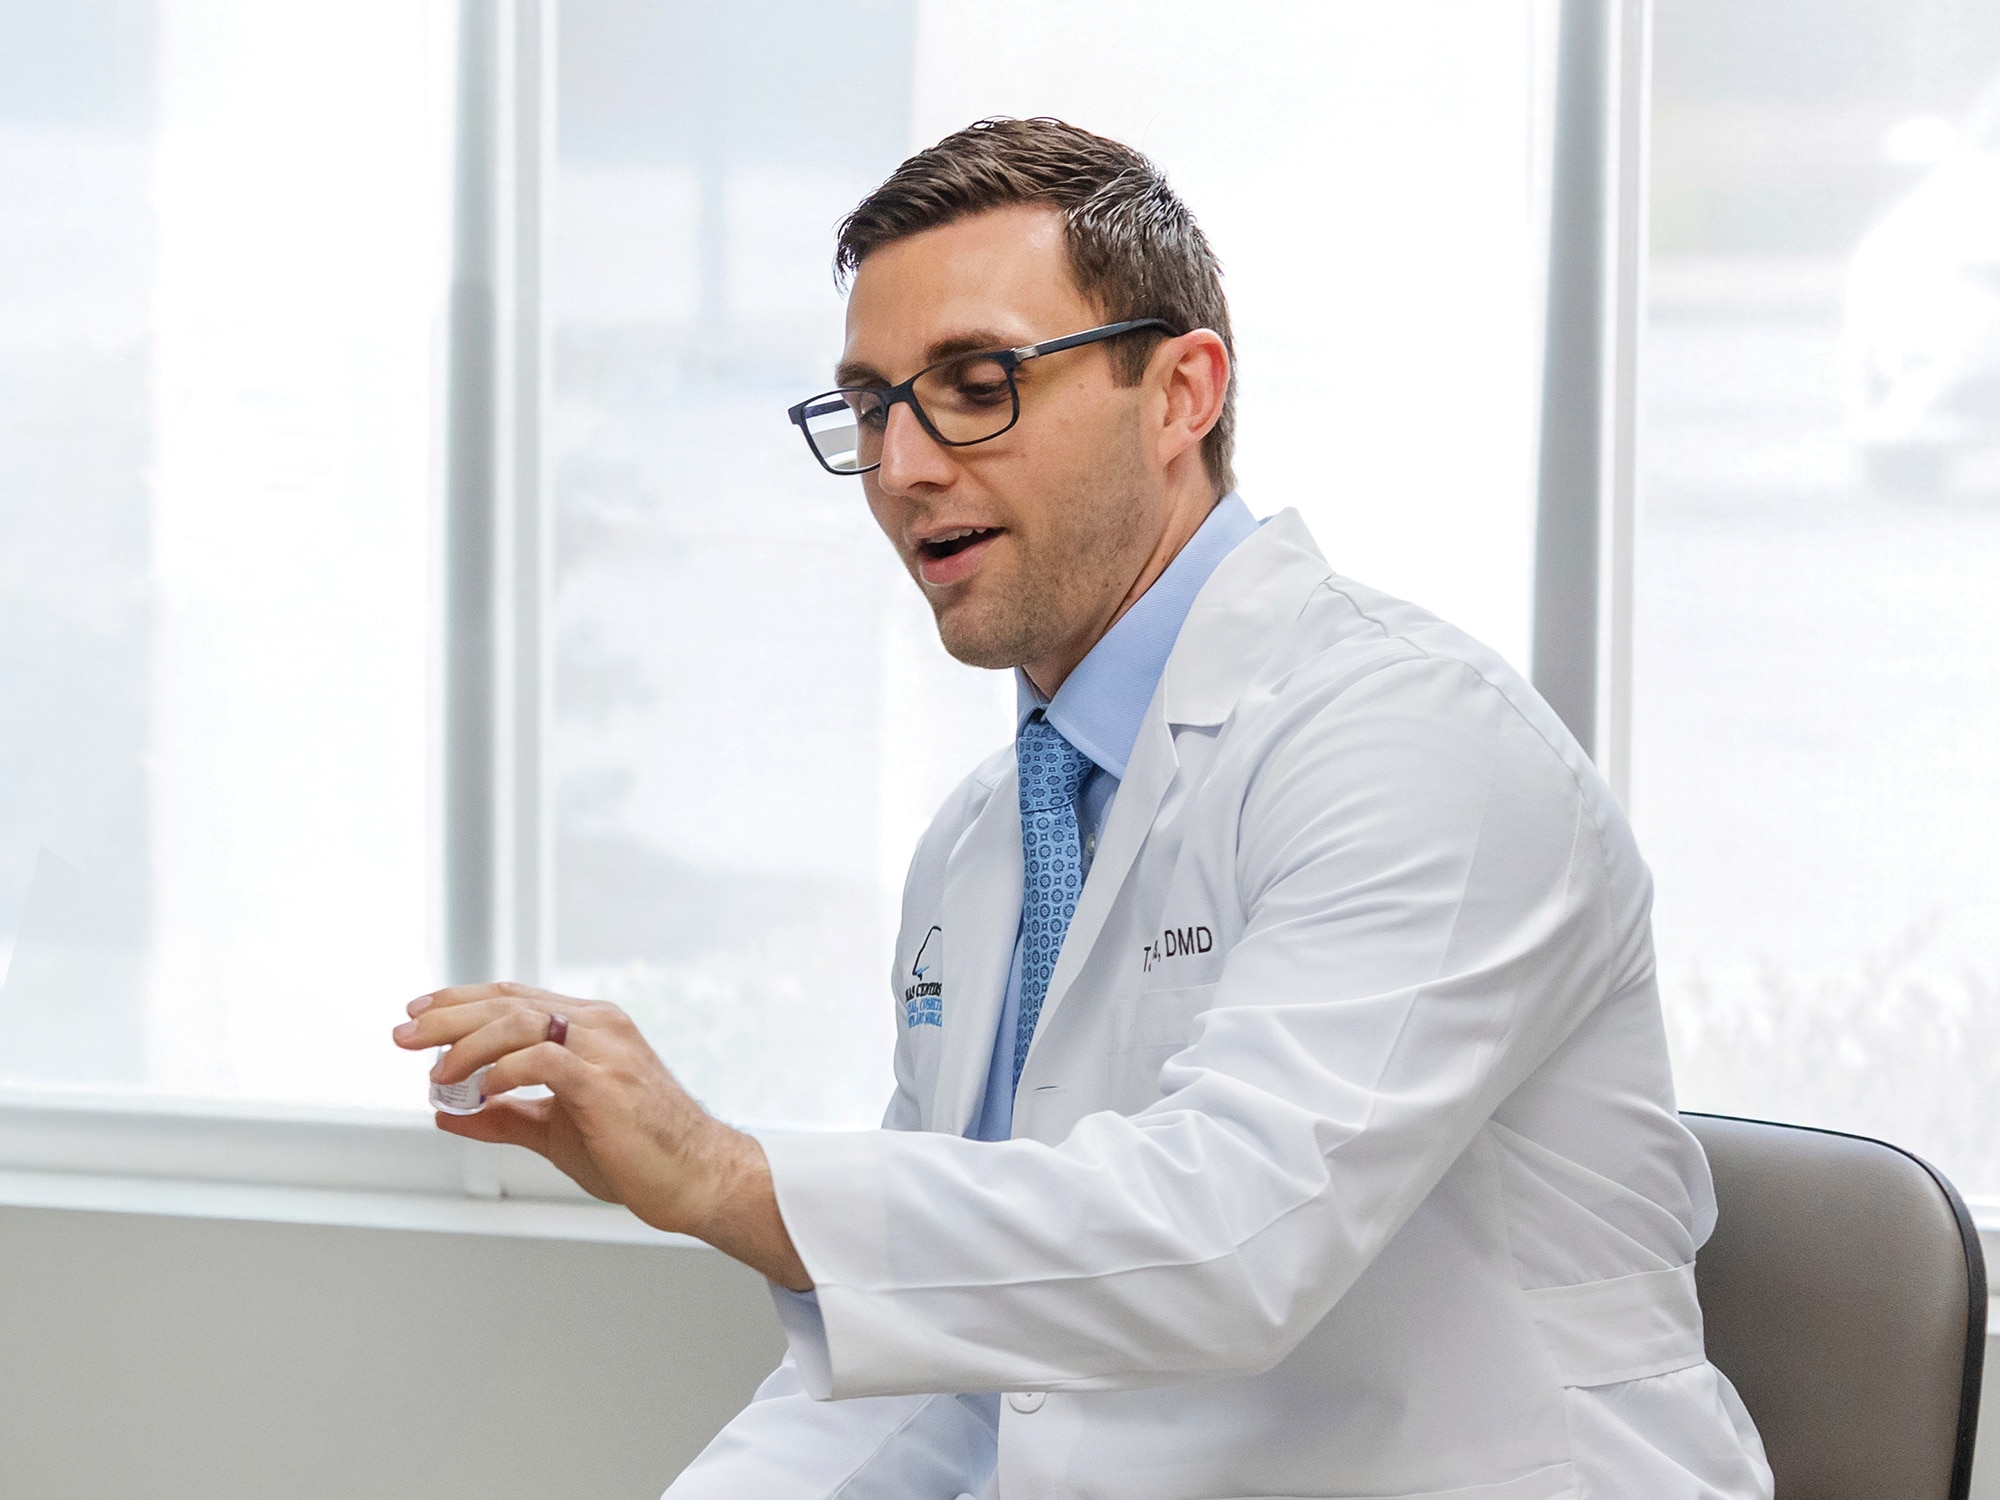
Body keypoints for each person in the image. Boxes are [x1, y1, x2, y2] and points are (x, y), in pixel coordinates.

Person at [393, 118, 1773, 1500]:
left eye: (977, 382)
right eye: (871, 405)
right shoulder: (987, 840)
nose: (903, 466)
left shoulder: (1411, 744)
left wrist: (722, 1174)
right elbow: (959, 1365)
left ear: (1181, 394)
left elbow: (1230, 1243)